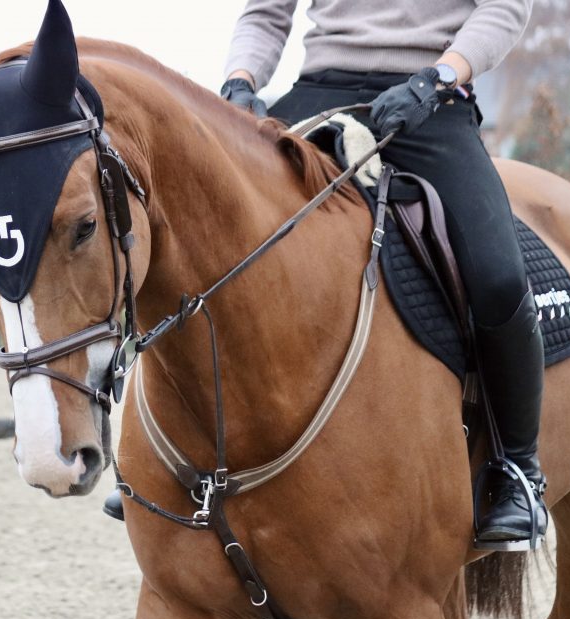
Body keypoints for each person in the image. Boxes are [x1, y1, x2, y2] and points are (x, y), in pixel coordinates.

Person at [105, 0, 547, 548]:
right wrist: (240, 81)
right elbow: (266, 13)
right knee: (200, 245)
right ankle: (166, 457)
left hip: (431, 99)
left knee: (498, 276)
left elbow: (505, 9)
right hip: (315, 93)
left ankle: (518, 471)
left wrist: (440, 75)